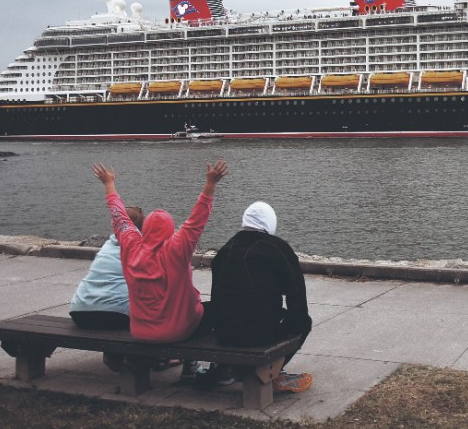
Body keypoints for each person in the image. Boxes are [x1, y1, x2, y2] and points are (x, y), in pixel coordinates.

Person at [92, 160, 227, 342]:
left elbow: (119, 217)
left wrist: (109, 184)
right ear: (170, 229)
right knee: (215, 311)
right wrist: (210, 184)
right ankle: (190, 364)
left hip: (140, 331)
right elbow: (196, 221)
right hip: (177, 331)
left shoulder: (132, 247)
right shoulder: (176, 249)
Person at [200, 201, 313, 393]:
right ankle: (273, 369)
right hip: (260, 333)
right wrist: (295, 325)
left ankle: (227, 368)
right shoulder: (277, 249)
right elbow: (297, 296)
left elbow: (218, 294)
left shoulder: (226, 249)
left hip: (224, 333)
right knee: (303, 321)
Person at [69, 205, 144, 330]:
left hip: (79, 312)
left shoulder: (107, 246)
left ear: (113, 224)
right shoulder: (139, 247)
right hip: (117, 315)